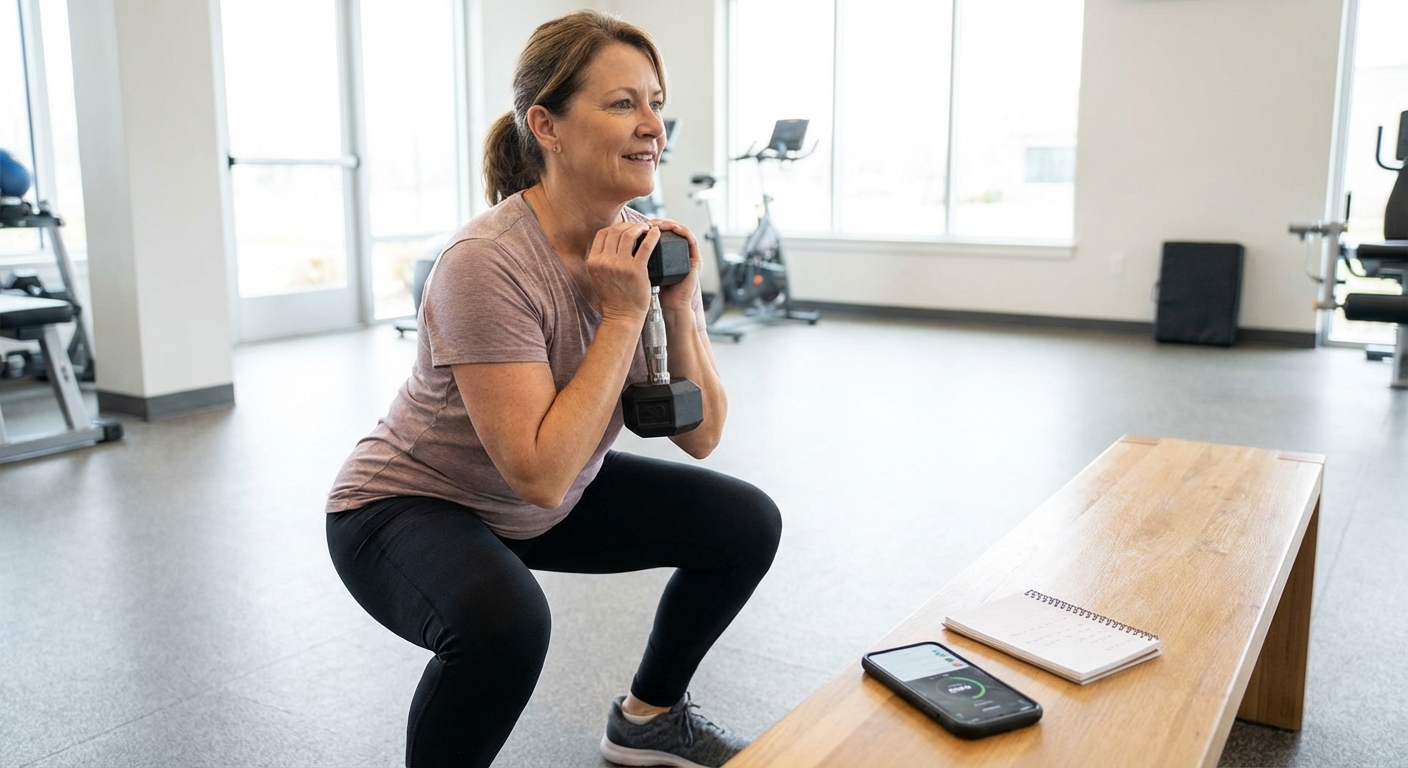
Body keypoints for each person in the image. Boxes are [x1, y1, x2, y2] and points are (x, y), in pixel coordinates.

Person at [324, 10, 782, 768]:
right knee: (504, 623)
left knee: (744, 525)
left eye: (656, 103)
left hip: (539, 494)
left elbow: (701, 437)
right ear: (548, 125)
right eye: (622, 103)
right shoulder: (485, 263)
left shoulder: (634, 247)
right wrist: (622, 314)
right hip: (406, 507)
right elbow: (538, 475)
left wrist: (675, 302)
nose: (652, 127)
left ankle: (650, 720)